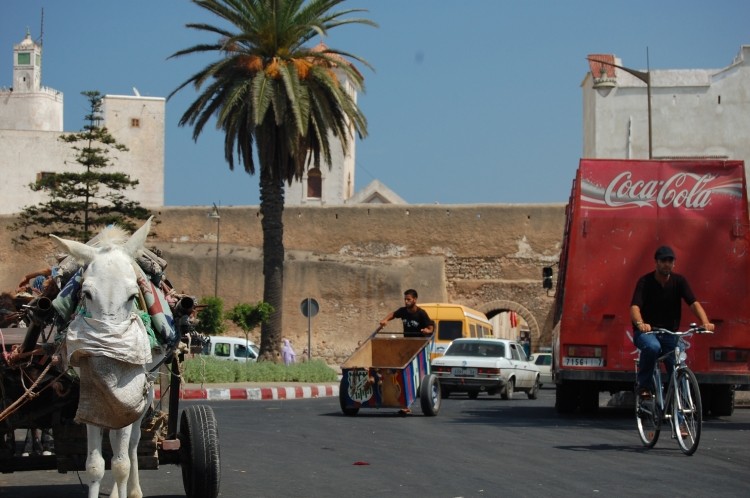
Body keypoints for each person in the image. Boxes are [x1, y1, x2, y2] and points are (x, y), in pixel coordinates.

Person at [630, 245, 715, 398]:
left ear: (674, 264)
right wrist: (640, 324)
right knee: (652, 347)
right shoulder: (645, 282)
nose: (667, 264)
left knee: (678, 368)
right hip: (648, 332)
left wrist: (705, 322)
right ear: (656, 262)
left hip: (669, 333)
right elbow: (635, 307)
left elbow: (693, 303)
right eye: (663, 260)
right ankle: (644, 386)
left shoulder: (679, 281)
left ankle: (681, 418)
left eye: (670, 261)